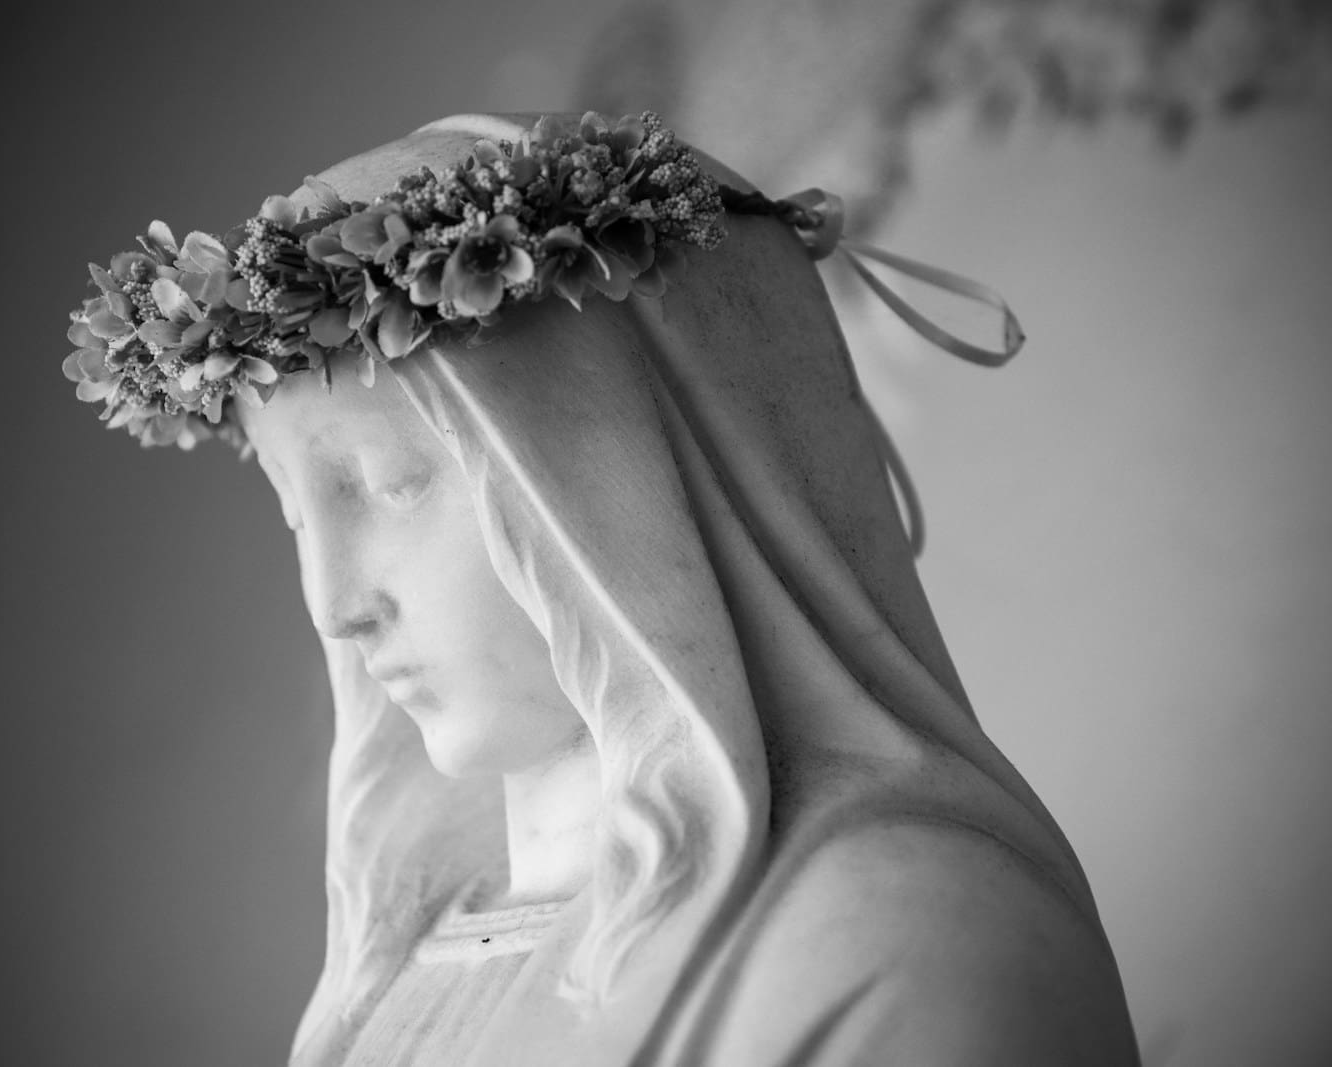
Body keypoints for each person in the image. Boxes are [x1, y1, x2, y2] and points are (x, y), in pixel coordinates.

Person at [63, 112, 1141, 1065]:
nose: (336, 608)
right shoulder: (399, 961)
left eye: (393, 484)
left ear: (640, 476)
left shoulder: (902, 946)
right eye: (302, 515)